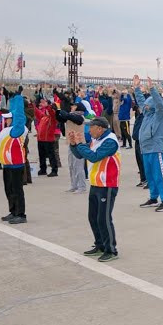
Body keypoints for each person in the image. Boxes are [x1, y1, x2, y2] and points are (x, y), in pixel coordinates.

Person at [75, 117, 122, 262]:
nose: (89, 131)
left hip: (107, 184)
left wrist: (80, 144)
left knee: (104, 218)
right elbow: (80, 154)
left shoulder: (110, 141)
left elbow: (94, 157)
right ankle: (100, 245)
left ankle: (111, 250)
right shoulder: (96, 139)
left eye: (91, 128)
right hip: (96, 183)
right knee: (93, 217)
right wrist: (74, 144)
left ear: (100, 128)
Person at [135, 77, 163, 212]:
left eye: (149, 104)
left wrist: (152, 90)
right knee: (150, 176)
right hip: (146, 149)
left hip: (156, 149)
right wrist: (137, 88)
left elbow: (161, 105)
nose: (146, 106)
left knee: (160, 175)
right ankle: (153, 198)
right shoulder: (146, 115)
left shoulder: (160, 115)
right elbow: (140, 102)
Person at [0, 88, 29, 224]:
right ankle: (13, 211)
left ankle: (21, 214)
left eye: (8, 119)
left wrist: (18, 99)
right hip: (7, 164)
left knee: (17, 189)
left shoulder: (18, 129)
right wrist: (11, 99)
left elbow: (19, 115)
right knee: (9, 189)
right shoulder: (8, 129)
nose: (6, 121)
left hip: (16, 164)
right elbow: (15, 112)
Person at [57, 107, 88, 194]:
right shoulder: (70, 116)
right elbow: (60, 118)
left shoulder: (80, 117)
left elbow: (73, 118)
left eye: (73, 106)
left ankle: (82, 186)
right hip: (71, 143)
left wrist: (64, 112)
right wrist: (56, 111)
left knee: (79, 166)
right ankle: (74, 185)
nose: (71, 107)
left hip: (80, 143)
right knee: (71, 166)